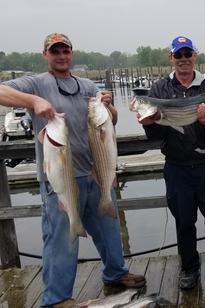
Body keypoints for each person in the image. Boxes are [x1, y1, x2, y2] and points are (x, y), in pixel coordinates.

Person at [0, 33, 145, 308]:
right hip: (60, 179)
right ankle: (56, 298)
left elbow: (111, 120)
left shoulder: (87, 85)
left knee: (108, 226)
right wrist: (32, 102)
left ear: (71, 53)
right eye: (55, 51)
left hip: (96, 172)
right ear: (46, 55)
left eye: (65, 50)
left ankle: (116, 273)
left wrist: (109, 104)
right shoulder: (36, 83)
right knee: (61, 239)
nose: (61, 56)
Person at [138, 35, 205, 290]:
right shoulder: (159, 90)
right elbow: (158, 135)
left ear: (195, 56)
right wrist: (151, 124)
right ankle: (189, 269)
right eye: (178, 55)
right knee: (184, 222)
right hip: (177, 167)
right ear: (171, 58)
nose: (183, 60)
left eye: (187, 54)